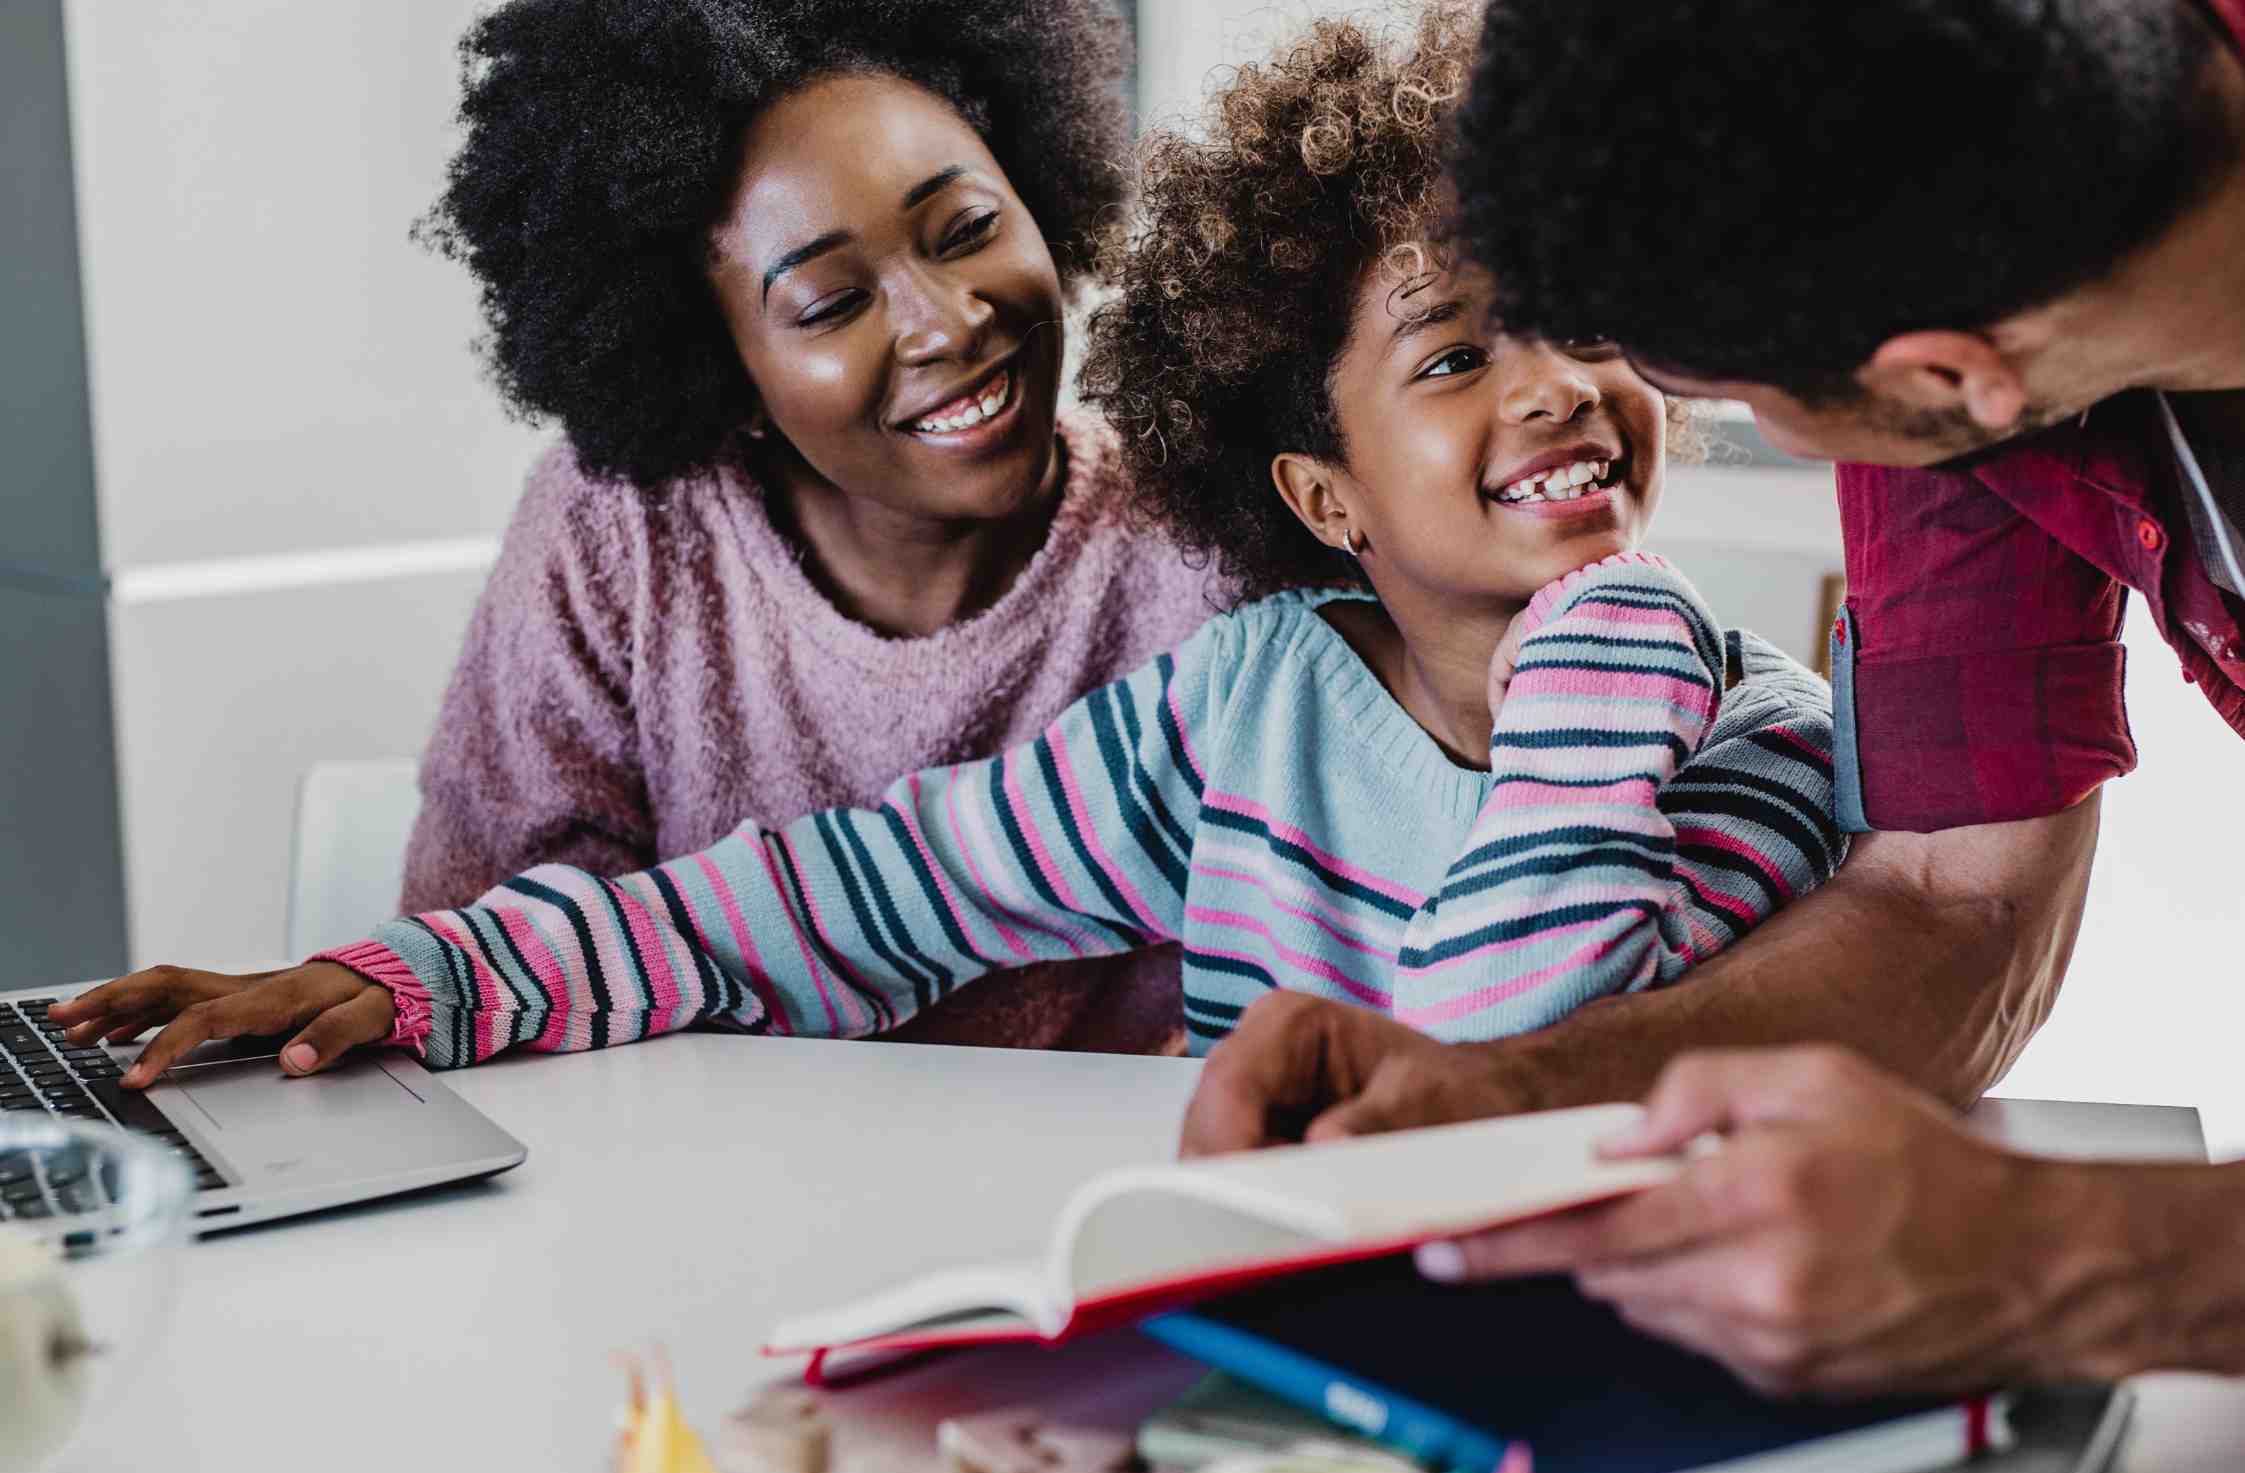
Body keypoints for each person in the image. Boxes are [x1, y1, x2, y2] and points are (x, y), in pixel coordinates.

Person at [47, 8, 1843, 1087]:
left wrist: (1602, 653)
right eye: (1456, 355)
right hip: (1225, 1343)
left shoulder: (1764, 744)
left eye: (1587, 326)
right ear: (1325, 497)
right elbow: (845, 894)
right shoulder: (1245, 705)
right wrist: (415, 971)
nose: (1555, 388)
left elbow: (1504, 1062)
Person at [1192, 0, 2245, 1396]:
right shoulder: (1926, 246)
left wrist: (2054, 1251)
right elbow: (1951, 893)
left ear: (1950, 378)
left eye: (1697, 383)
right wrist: (1520, 1087)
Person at [394, 0, 1220, 1057]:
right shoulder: (624, 535)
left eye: (967, 231)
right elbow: (487, 947)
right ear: (723, 373)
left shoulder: (1202, 528)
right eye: (832, 302)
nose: (947, 321)